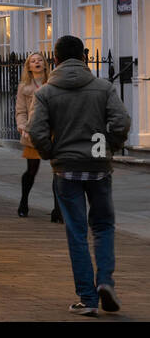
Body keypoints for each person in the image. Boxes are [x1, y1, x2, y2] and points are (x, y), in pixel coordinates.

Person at [28, 35, 132, 316]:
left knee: (76, 231)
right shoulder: (103, 87)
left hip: (66, 167)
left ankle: (87, 297)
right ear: (85, 57)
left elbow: (35, 130)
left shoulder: (46, 92)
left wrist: (52, 152)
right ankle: (106, 282)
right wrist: (109, 145)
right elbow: (121, 121)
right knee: (103, 226)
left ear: (55, 59)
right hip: (98, 165)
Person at [16, 52, 61, 221]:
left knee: (58, 171)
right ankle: (23, 202)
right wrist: (21, 125)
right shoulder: (24, 87)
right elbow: (20, 111)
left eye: (39, 60)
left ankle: (58, 210)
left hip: (53, 132)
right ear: (28, 66)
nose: (37, 63)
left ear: (45, 64)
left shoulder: (53, 83)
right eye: (33, 61)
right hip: (33, 132)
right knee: (31, 170)